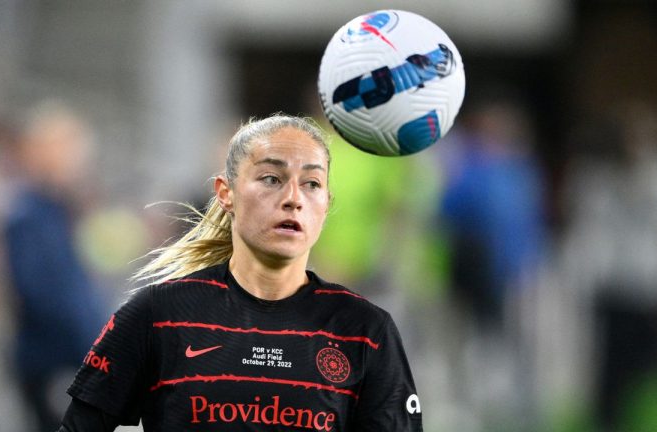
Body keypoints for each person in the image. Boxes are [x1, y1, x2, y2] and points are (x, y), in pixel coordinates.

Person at [57, 114, 423, 431]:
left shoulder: (365, 331)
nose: (294, 197)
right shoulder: (159, 316)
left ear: (326, 204)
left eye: (312, 184)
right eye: (271, 179)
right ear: (225, 193)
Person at [4, 101, 108, 431]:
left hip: (71, 359)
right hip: (53, 362)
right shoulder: (29, 217)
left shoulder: (59, 212)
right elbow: (42, 296)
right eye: (70, 150)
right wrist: (90, 348)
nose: (78, 161)